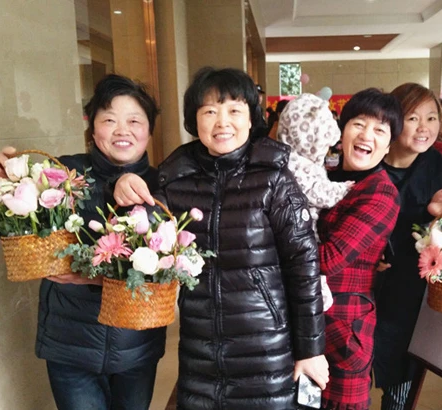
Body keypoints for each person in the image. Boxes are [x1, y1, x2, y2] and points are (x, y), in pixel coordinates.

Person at [112, 67, 328, 410]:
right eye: (210, 111)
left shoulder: (274, 179)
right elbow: (140, 232)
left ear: (251, 118)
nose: (222, 122)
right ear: (194, 121)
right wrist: (124, 187)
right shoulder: (176, 178)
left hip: (266, 348)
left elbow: (304, 268)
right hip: (201, 350)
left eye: (234, 110)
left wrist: (311, 350)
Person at [0, 74, 165, 410]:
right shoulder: (62, 175)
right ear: (92, 128)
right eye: (109, 120)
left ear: (149, 130)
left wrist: (93, 277)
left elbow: (169, 268)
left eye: (134, 121)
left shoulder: (162, 185)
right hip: (70, 345)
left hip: (136, 348)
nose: (122, 131)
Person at [373, 83, 442, 410]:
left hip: (410, 291)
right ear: (394, 120)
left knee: (401, 375)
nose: (423, 127)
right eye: (413, 118)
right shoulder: (368, 160)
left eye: (431, 118)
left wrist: (437, 213)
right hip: (364, 287)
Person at [317, 88, 402, 410]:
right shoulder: (325, 177)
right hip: (305, 323)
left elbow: (329, 259)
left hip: (344, 330)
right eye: (359, 124)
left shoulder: (380, 193)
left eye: (380, 130)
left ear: (389, 145)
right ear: (343, 130)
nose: (367, 135)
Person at [277, 92, 351, 237]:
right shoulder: (296, 165)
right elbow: (316, 193)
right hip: (302, 232)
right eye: (324, 146)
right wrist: (342, 189)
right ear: (307, 142)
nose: (326, 150)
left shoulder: (290, 158)